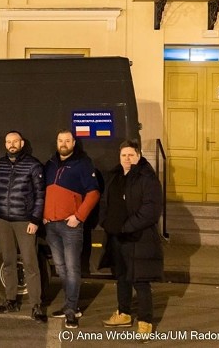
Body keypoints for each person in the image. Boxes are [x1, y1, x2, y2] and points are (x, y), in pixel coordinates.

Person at [99, 140, 163, 339]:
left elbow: (151, 210)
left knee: (140, 281)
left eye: (131, 155)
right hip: (118, 237)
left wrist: (127, 226)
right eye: (123, 155)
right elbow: (106, 201)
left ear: (139, 155)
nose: (127, 159)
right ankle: (124, 313)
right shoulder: (116, 175)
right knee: (122, 277)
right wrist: (105, 222)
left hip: (139, 237)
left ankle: (145, 321)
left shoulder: (147, 177)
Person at [43, 129, 100, 328]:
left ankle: (70, 311)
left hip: (70, 226)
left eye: (67, 140)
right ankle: (71, 305)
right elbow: (44, 192)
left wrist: (78, 216)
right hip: (51, 225)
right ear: (57, 142)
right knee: (60, 268)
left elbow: (93, 193)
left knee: (72, 268)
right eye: (60, 140)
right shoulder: (49, 164)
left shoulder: (83, 163)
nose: (64, 143)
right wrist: (44, 215)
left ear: (74, 143)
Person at [0, 131, 47, 323]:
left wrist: (35, 220)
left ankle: (36, 305)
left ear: (22, 143)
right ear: (5, 144)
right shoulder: (1, 163)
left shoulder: (33, 164)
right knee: (8, 262)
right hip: (3, 220)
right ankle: (11, 300)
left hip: (24, 221)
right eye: (8, 141)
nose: (12, 144)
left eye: (15, 141)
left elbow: (40, 195)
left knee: (30, 264)